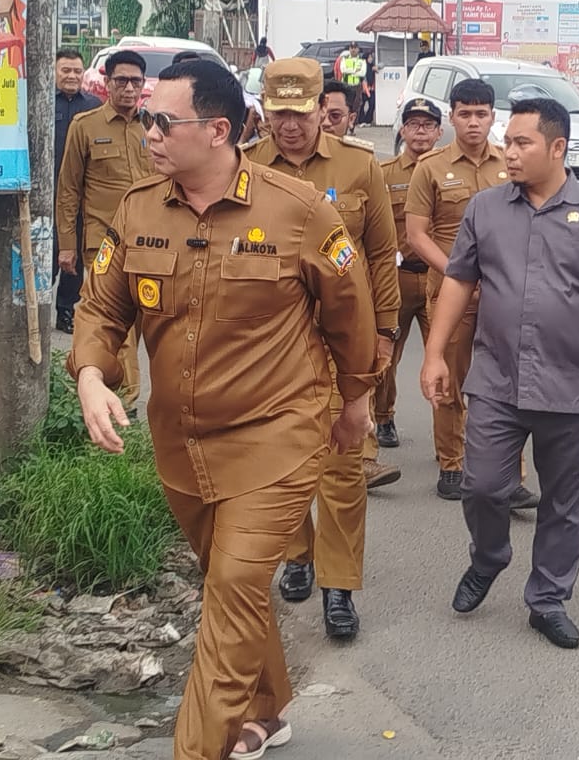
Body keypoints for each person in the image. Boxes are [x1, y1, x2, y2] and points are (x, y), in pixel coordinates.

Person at [69, 58, 377, 760]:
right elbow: (102, 307)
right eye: (148, 118)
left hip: (278, 434)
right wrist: (90, 374)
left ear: (216, 130)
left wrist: (357, 399)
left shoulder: (299, 210)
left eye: (163, 120)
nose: (148, 131)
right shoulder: (139, 208)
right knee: (229, 581)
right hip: (181, 443)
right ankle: (266, 710)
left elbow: (350, 312)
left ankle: (198, 748)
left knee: (234, 585)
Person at [421, 97, 579, 650]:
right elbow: (458, 281)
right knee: (482, 486)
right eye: (507, 141)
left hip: (570, 387)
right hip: (497, 381)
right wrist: (434, 354)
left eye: (522, 143)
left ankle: (547, 599)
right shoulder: (485, 209)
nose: (508, 152)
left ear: (557, 148)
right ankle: (489, 557)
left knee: (563, 503)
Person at [247, 58, 401, 641]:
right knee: (278, 461)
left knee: (342, 464)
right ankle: (297, 554)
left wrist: (385, 330)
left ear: (321, 110)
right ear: (265, 111)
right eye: (278, 114)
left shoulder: (359, 166)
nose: (289, 126)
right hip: (270, 344)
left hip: (343, 338)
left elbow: (380, 254)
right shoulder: (245, 167)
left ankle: (339, 587)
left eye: (300, 114)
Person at [405, 79, 538, 508]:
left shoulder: (511, 163)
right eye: (465, 114)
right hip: (451, 292)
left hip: (504, 294)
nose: (474, 122)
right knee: (449, 376)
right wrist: (460, 274)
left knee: (508, 380)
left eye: (481, 114)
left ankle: (511, 476)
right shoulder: (430, 167)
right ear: (452, 117)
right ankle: (452, 463)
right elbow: (417, 235)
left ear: (493, 117)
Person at [0, 49, 101, 333]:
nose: (72, 76)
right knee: (42, 252)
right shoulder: (37, 102)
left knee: (74, 254)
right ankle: (31, 306)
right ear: (53, 72)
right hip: (39, 193)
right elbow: (3, 143)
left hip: (80, 196)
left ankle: (66, 309)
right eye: (65, 70)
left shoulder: (93, 107)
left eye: (77, 71)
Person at [56, 49, 153, 414]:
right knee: (116, 323)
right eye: (121, 81)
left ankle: (98, 387)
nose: (129, 88)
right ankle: (126, 406)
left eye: (135, 82)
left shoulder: (155, 126)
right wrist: (67, 245)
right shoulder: (85, 126)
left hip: (152, 242)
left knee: (143, 325)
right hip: (104, 245)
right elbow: (69, 190)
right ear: (107, 83)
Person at [374, 97, 445, 450]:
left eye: (428, 125)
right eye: (414, 124)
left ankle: (448, 438)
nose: (420, 131)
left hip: (439, 278)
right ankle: (383, 417)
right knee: (386, 355)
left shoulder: (448, 173)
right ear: (402, 130)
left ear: (439, 132)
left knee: (446, 356)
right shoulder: (383, 174)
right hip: (397, 278)